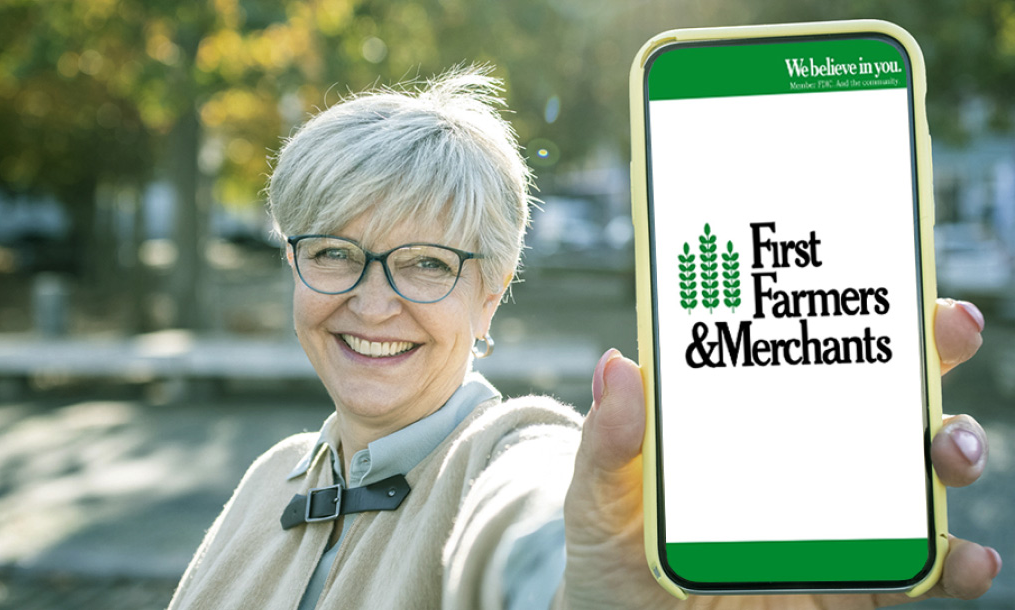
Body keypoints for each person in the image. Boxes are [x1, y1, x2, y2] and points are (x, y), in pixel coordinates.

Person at [166, 66, 1000, 610]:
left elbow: (532, 531)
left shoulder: (512, 450)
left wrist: (588, 588)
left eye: (424, 264)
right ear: (293, 266)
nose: (371, 302)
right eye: (335, 254)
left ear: (489, 295)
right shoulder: (269, 478)